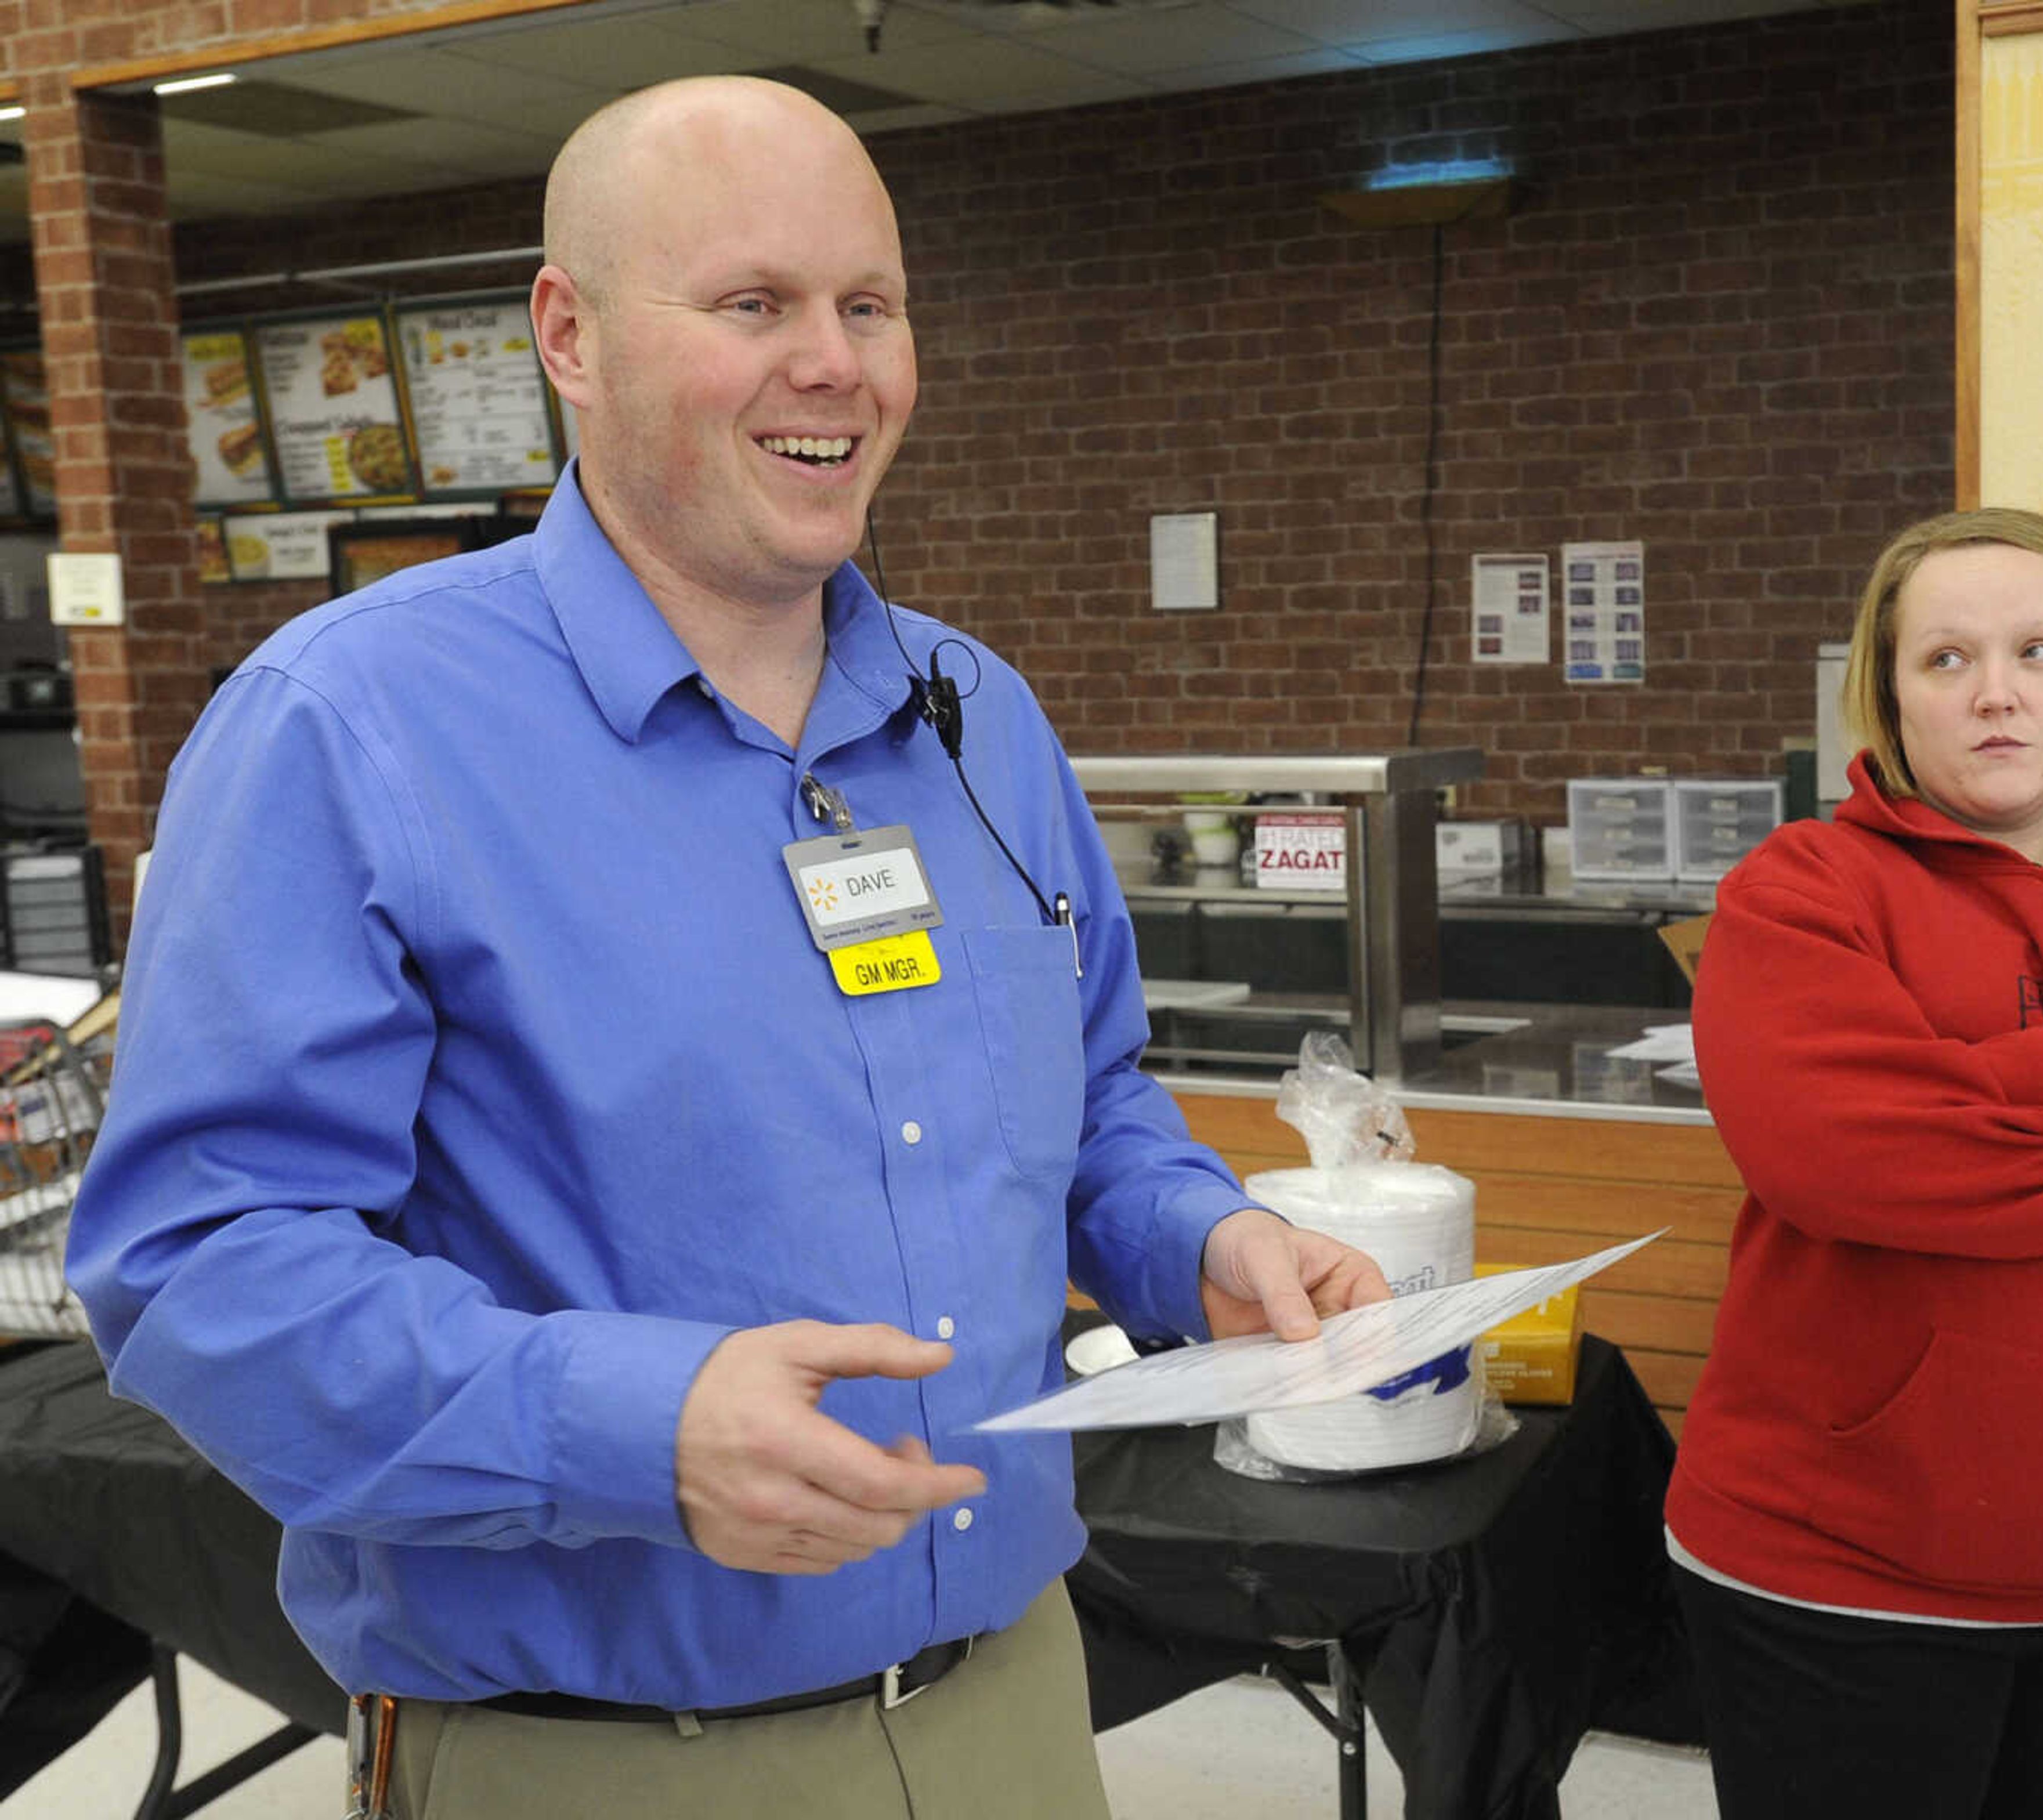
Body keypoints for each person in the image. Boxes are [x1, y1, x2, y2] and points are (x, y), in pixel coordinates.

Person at [65, 75, 1390, 1820]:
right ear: (571, 337)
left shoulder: (975, 715)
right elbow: (197, 1264)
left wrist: (1192, 1236)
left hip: (1014, 1705)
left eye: (870, 305)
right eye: (754, 305)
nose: (834, 362)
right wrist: (629, 1424)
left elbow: (1088, 1098)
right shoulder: (349, 727)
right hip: (598, 1759)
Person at [1665, 506, 2043, 1819]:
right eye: (1947, 660)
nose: (1996, 696)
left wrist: (2026, 1070)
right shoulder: (1800, 892)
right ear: (1892, 693)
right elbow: (1845, 1164)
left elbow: (1940, 1145)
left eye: (2039, 652)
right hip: (1841, 1575)